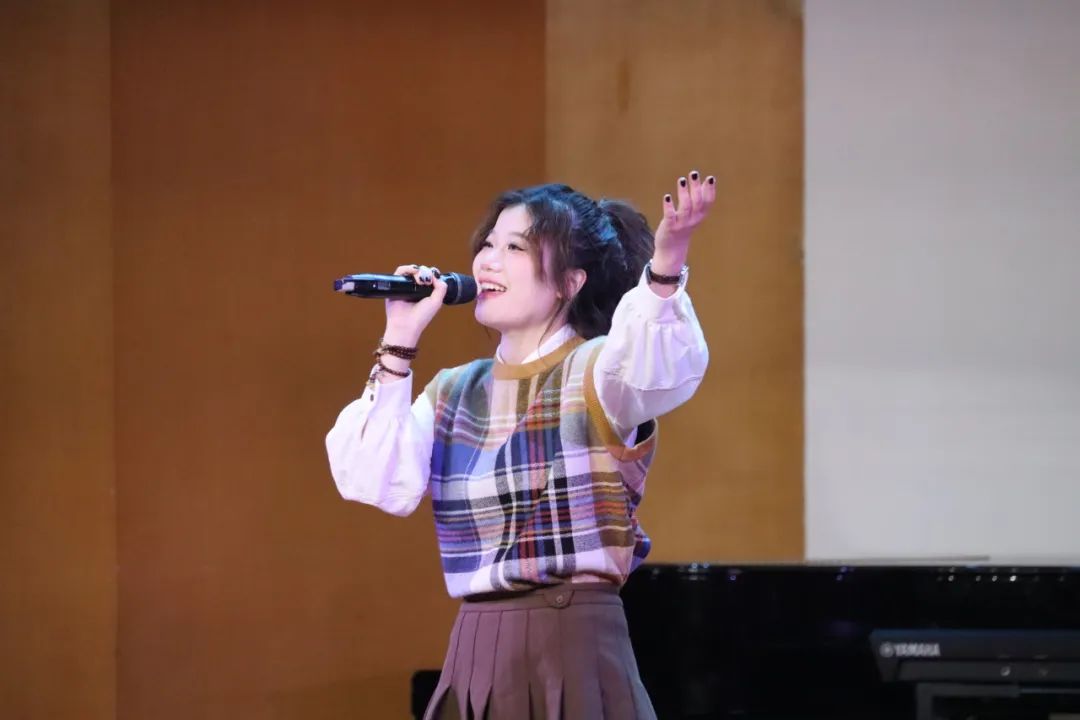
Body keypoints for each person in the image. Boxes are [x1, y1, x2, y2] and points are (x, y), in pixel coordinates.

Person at [326, 171, 715, 719]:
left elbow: (660, 367)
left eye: (514, 248)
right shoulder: (453, 391)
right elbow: (374, 480)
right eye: (488, 245)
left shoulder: (598, 369)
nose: (488, 262)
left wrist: (667, 263)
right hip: (477, 642)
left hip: (573, 640)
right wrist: (400, 338)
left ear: (569, 282)